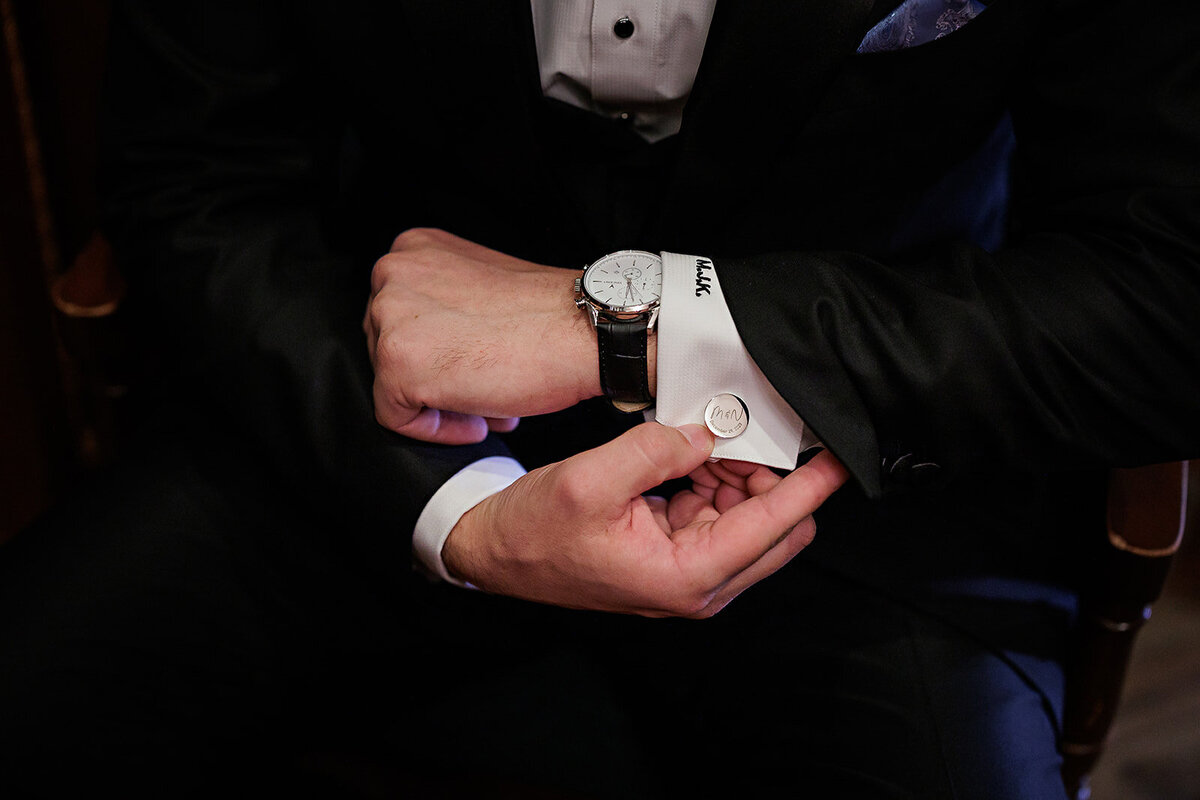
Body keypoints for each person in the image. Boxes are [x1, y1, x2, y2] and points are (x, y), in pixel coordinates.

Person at [2, 0, 1198, 798]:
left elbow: (1167, 304)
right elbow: (196, 182)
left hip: (875, 467)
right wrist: (457, 511)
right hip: (364, 418)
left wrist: (632, 325)